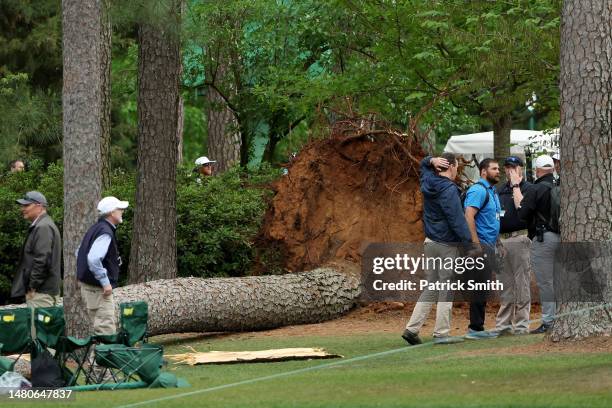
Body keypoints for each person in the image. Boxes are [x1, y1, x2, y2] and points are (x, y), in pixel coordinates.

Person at [402, 153, 471, 346]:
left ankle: (412, 329)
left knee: (431, 287)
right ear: (451, 167)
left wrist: (429, 160)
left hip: (430, 242)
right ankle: (441, 333)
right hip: (447, 245)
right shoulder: (449, 189)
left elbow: (423, 168)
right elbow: (456, 220)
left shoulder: (428, 181)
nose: (458, 170)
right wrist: (468, 244)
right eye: (457, 166)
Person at [510, 154, 560, 334]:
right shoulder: (559, 185)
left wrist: (516, 186)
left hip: (543, 239)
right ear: (552, 169)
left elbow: (522, 214)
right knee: (558, 281)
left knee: (546, 282)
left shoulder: (536, 189)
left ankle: (549, 321)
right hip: (561, 238)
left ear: (537, 171)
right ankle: (560, 318)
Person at [11, 191, 62, 335]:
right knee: (42, 336)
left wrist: (33, 287)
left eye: (26, 205)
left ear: (39, 206)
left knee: (40, 337)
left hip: (41, 292)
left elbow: (42, 260)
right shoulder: (42, 225)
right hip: (42, 291)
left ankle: (43, 359)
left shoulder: (43, 227)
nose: (23, 209)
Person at [77, 196, 128, 335]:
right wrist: (105, 282)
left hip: (90, 287)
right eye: (119, 209)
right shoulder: (105, 231)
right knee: (106, 331)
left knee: (100, 330)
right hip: (98, 289)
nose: (122, 211)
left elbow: (79, 252)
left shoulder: (95, 228)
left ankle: (95, 357)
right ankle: (100, 357)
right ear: (112, 212)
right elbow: (93, 259)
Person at [463, 158, 501, 340]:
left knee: (483, 287)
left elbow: (493, 219)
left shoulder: (492, 191)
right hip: (480, 247)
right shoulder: (478, 190)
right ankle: (475, 329)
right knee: (478, 287)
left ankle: (478, 327)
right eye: (494, 169)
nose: (498, 171)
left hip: (489, 245)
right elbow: (468, 216)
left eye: (498, 168)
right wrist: (476, 244)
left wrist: (498, 242)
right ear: (483, 172)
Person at [494, 156, 532, 335]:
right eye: (508, 167)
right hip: (501, 240)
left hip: (520, 239)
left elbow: (523, 209)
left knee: (522, 284)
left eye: (514, 167)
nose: (510, 170)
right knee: (505, 285)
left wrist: (516, 185)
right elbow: (494, 216)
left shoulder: (528, 188)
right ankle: (504, 325)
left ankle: (522, 325)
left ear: (521, 169)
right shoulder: (499, 190)